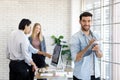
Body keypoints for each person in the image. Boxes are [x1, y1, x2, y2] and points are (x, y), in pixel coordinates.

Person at [70, 12, 103, 80]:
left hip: (96, 75)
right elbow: (76, 58)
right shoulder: (75, 37)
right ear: (80, 22)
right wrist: (89, 45)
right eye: (84, 21)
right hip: (81, 76)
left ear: (91, 22)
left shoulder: (96, 36)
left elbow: (100, 55)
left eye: (89, 21)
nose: (87, 23)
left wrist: (97, 50)